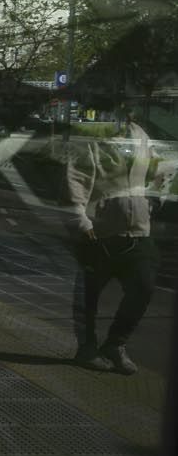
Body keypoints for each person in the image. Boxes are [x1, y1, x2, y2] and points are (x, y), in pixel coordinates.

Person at [66, 113, 158, 375]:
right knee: (88, 297)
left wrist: (152, 202)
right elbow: (76, 181)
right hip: (99, 234)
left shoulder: (140, 134)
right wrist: (82, 223)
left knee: (143, 288)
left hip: (139, 231)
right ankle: (87, 348)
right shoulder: (93, 137)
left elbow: (154, 171)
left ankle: (115, 345)